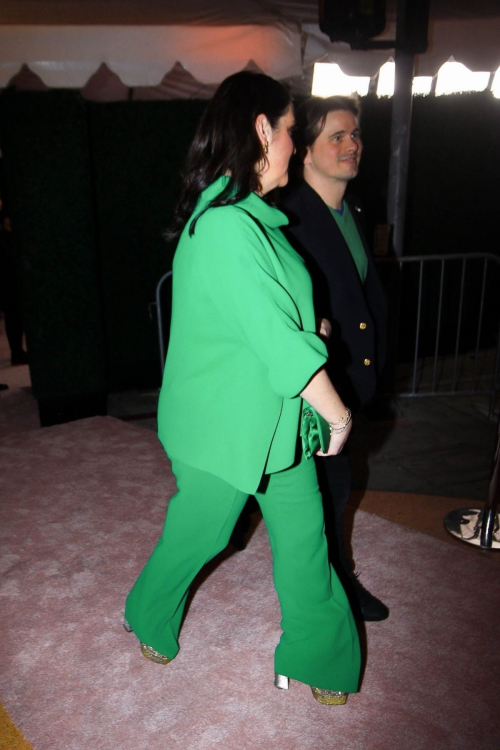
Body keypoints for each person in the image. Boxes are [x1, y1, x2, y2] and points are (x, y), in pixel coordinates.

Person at [124, 72, 361, 705]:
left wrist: (313, 325)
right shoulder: (227, 226)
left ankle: (319, 655)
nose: (294, 142)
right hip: (222, 427)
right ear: (261, 129)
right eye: (289, 129)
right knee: (201, 535)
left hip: (277, 424)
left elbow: (272, 317)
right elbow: (274, 340)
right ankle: (148, 612)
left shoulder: (257, 223)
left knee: (307, 541)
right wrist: (336, 414)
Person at [282, 96, 389, 622]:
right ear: (304, 151)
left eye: (355, 135)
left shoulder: (353, 212)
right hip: (314, 384)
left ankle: (329, 578)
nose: (352, 145)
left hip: (351, 375)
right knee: (328, 487)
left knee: (332, 487)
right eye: (337, 137)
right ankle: (335, 586)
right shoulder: (291, 219)